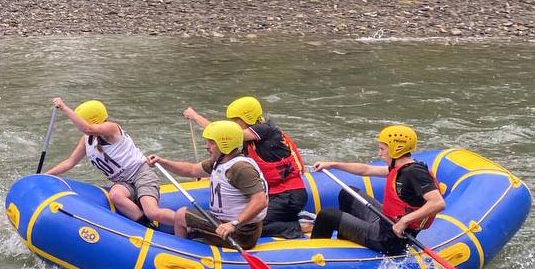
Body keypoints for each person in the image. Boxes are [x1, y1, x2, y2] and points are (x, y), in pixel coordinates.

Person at [310, 125, 446, 255]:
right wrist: (332, 165)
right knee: (348, 193)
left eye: (382, 149)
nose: (379, 153)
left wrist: (404, 221)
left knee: (327, 215)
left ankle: (312, 256)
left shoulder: (414, 173)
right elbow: (366, 170)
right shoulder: (401, 167)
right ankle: (346, 238)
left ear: (396, 149)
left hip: (389, 238)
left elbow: (437, 203)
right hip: (385, 222)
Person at [183, 96, 308, 238]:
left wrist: (196, 117)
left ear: (247, 117)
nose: (233, 124)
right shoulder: (248, 140)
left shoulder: (266, 129)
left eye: (236, 120)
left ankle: (299, 225)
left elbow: (223, 134)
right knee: (247, 221)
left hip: (289, 195)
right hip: (273, 194)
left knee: (249, 226)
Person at [44, 98, 175, 228]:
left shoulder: (111, 128)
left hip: (141, 174)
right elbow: (70, 162)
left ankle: (184, 221)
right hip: (123, 182)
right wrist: (45, 175)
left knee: (152, 211)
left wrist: (64, 108)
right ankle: (146, 226)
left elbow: (88, 129)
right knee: (115, 195)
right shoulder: (86, 140)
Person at [147, 120, 268, 249]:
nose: (207, 146)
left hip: (242, 233)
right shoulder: (220, 161)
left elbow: (260, 201)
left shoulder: (240, 168)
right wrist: (162, 162)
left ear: (225, 144)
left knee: (181, 215)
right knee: (190, 221)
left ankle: (180, 251)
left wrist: (233, 224)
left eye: (211, 142)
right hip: (225, 223)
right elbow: (191, 170)